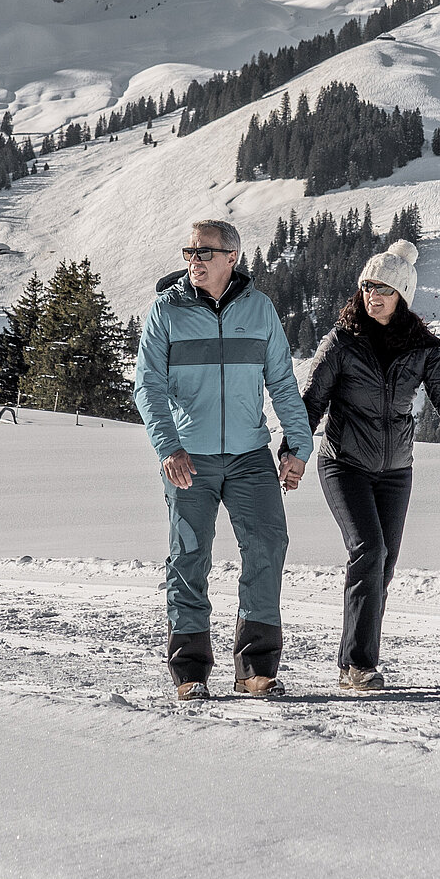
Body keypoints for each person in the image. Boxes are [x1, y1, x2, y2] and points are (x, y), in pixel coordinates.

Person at [133, 219, 313, 700]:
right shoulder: (165, 312)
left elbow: (283, 384)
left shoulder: (260, 310)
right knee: (189, 557)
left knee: (268, 548)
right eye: (189, 250)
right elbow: (147, 387)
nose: (194, 259)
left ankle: (255, 667)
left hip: (250, 456)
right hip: (189, 457)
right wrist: (168, 447)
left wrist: (298, 446)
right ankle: (190, 671)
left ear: (232, 257)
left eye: (205, 252)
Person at [304, 238, 440, 693]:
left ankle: (356, 657)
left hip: (395, 470)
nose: (372, 295)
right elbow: (311, 401)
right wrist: (292, 452)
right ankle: (358, 665)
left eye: (383, 289)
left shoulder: (423, 348)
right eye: (368, 286)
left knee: (383, 567)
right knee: (369, 551)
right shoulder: (342, 342)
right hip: (343, 463)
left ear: (401, 296)